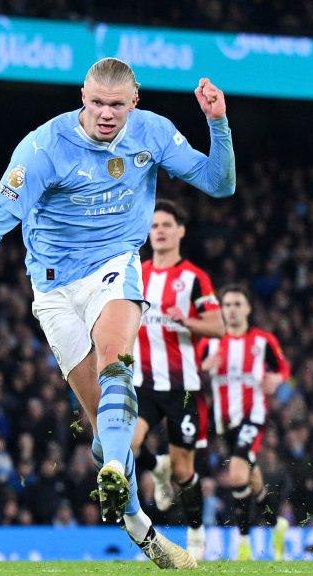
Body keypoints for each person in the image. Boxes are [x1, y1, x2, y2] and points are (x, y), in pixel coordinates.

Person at [0, 57, 235, 569]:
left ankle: (124, 481)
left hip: (115, 265)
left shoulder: (154, 133)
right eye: (97, 102)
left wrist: (217, 122)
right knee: (105, 433)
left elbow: (219, 184)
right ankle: (140, 526)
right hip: (54, 289)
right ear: (83, 96)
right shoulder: (43, 148)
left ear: (135, 101)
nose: (105, 114)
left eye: (116, 105)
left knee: (115, 363)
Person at [131, 199, 225, 560]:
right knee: (126, 447)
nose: (159, 231)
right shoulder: (137, 272)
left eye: (166, 225)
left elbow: (217, 326)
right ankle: (157, 466)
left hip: (183, 388)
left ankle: (197, 531)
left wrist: (186, 321)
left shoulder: (194, 278)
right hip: (143, 381)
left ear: (180, 231)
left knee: (186, 469)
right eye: (154, 226)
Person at [197, 285, 291, 560]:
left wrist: (277, 379)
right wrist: (203, 370)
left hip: (254, 416)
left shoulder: (263, 341)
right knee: (252, 479)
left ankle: (243, 541)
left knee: (237, 474)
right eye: (227, 305)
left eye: (238, 304)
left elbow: (283, 368)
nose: (232, 310)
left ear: (248, 308)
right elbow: (192, 375)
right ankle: (277, 525)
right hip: (224, 421)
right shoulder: (210, 342)